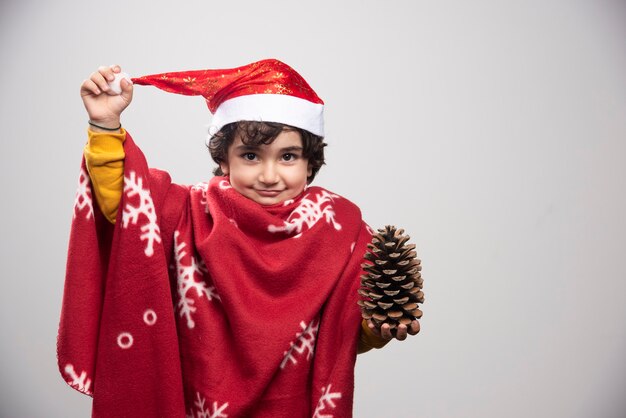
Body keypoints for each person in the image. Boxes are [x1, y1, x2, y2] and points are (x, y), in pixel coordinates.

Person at [58, 60, 420, 418]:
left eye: (288, 157)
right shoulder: (187, 210)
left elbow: (344, 335)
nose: (268, 174)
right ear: (224, 160)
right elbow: (126, 202)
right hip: (194, 400)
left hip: (292, 406)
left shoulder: (342, 230)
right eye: (250, 156)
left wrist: (376, 329)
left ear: (310, 163)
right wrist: (104, 125)